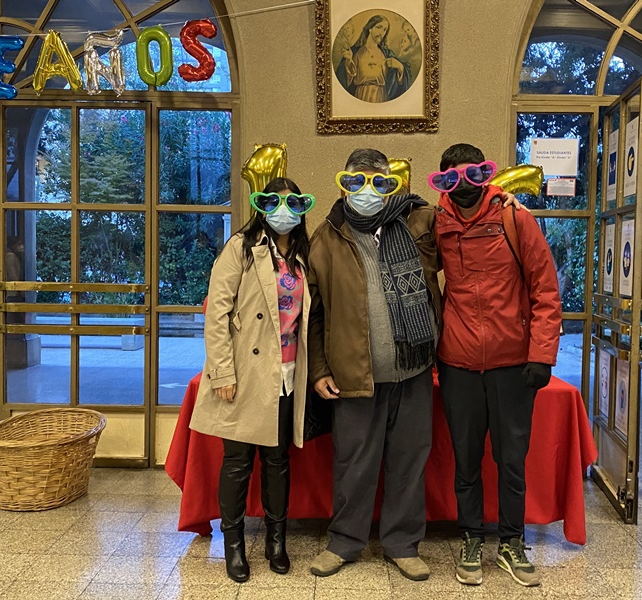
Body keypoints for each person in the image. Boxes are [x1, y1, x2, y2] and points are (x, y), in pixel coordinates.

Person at [431, 143, 562, 588]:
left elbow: (545, 289)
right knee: (466, 460)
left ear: (486, 176)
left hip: (512, 363)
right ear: (443, 181)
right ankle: (471, 538)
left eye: (474, 176)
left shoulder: (514, 218)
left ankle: (511, 542)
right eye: (452, 178)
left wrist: (541, 355)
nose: (464, 186)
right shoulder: (437, 222)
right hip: (458, 362)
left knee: (511, 461)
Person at [308, 148, 440, 581]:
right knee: (354, 463)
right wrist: (319, 369)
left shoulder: (418, 221)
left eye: (378, 181)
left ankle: (402, 544)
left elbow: (467, 226)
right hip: (353, 374)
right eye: (357, 181)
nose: (368, 190)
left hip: (413, 369)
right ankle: (344, 542)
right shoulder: (327, 238)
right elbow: (315, 313)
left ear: (390, 184)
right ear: (344, 184)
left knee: (409, 462)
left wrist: (503, 201)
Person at [190, 177, 315, 583]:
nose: (283, 211)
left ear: (302, 209)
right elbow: (217, 313)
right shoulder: (241, 248)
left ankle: (276, 541)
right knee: (238, 461)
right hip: (246, 372)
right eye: (274, 202)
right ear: (262, 206)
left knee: (278, 460)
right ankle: (234, 545)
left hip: (288, 373)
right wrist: (222, 372)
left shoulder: (304, 253)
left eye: (292, 203)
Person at [335, 15, 411, 103]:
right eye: (379, 27)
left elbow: (402, 81)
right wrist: (348, 61)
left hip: (382, 97)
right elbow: (342, 80)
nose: (382, 32)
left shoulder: (387, 53)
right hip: (361, 96)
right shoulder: (355, 51)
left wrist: (400, 67)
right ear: (370, 28)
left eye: (385, 30)